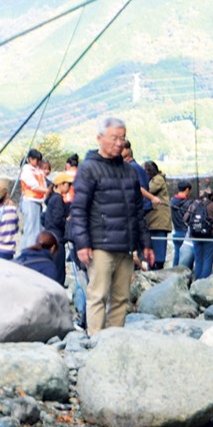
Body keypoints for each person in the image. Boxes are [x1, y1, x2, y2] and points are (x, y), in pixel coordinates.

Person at [69, 116, 153, 334]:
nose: (119, 143)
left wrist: (146, 244)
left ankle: (114, 339)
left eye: (122, 139)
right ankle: (96, 341)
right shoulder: (88, 169)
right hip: (99, 245)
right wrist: (82, 243)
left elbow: (137, 210)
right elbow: (78, 209)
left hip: (125, 246)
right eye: (114, 138)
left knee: (121, 298)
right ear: (99, 138)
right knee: (97, 295)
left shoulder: (129, 171)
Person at [185, 189, 213, 280]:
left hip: (195, 235)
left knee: (198, 259)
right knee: (208, 259)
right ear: (210, 196)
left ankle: (197, 280)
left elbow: (185, 219)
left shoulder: (193, 205)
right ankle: (204, 281)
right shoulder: (212, 206)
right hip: (209, 236)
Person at [39, 175, 69, 286]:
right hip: (57, 238)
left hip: (49, 236)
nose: (70, 187)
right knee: (58, 269)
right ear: (60, 185)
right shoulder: (58, 199)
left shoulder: (51, 199)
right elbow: (58, 220)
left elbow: (43, 218)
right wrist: (68, 223)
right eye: (68, 184)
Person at [143, 160, 171, 270]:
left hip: (158, 220)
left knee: (158, 248)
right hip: (154, 220)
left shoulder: (158, 179)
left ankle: (157, 267)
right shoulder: (157, 179)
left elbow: (147, 190)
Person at [18, 149, 49, 249]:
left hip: (38, 201)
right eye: (37, 160)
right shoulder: (26, 170)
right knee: (31, 228)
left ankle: (34, 249)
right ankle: (28, 250)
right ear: (30, 159)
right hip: (30, 200)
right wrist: (47, 191)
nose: (38, 162)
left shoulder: (36, 170)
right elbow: (34, 185)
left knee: (37, 228)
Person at [169, 181, 195, 268]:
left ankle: (173, 274)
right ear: (187, 189)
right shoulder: (189, 203)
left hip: (176, 231)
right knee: (186, 258)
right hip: (185, 233)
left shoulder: (172, 201)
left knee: (176, 255)